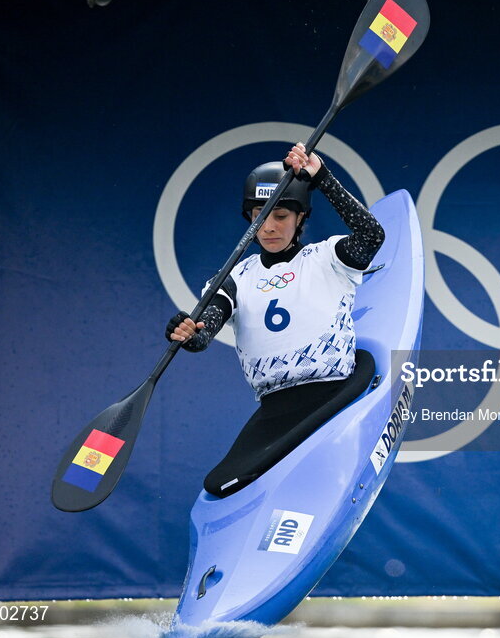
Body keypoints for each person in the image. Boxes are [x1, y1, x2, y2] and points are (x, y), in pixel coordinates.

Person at [165, 143, 385, 497]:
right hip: (276, 413)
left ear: (301, 218)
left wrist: (322, 178)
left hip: (333, 392)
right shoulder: (235, 278)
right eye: (258, 216)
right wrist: (189, 333)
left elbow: (371, 236)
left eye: (280, 216)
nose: (268, 227)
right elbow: (205, 331)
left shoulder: (326, 257)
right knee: (219, 484)